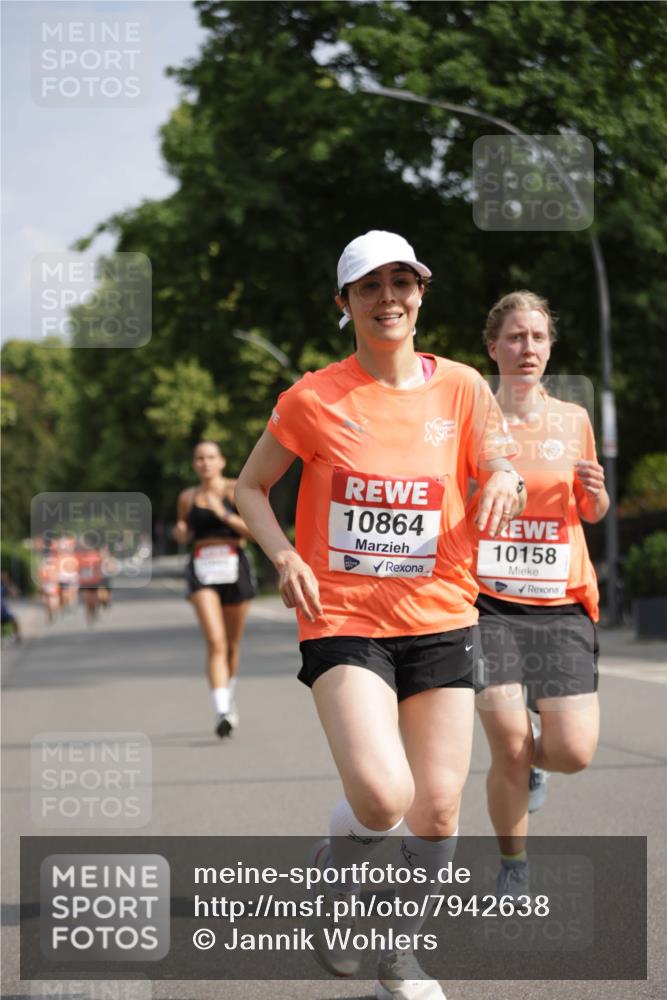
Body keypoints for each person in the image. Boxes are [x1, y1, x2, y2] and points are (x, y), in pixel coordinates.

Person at [236, 231, 525, 1000]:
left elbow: (499, 462)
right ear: (345, 304)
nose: (387, 298)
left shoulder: (463, 386)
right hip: (342, 617)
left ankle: (398, 956)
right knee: (381, 797)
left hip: (440, 614)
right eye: (369, 287)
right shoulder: (313, 397)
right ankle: (335, 872)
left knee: (435, 811)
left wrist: (502, 480)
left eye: (402, 282)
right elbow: (249, 488)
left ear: (421, 293)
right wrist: (284, 556)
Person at [468, 291, 608, 900]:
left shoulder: (573, 419)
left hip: (561, 601)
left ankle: (533, 775)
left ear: (550, 348)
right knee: (508, 744)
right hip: (486, 605)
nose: (528, 348)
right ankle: (514, 865)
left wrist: (599, 492)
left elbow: (591, 511)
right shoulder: (469, 419)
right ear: (493, 346)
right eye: (517, 337)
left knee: (572, 752)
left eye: (539, 338)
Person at [174, 441, 256, 738]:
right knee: (216, 641)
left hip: (235, 564)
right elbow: (182, 530)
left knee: (233, 643)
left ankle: (228, 695)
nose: (205, 463)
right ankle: (221, 709)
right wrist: (180, 533)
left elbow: (254, 530)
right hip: (202, 567)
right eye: (199, 458)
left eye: (210, 457)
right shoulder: (187, 497)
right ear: (194, 464)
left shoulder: (237, 489)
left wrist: (222, 513)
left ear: (221, 461)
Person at [1, 571, 22, 643]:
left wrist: (7, 582)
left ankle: (18, 637)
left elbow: (15, 593)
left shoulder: (3, 586)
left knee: (14, 619)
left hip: (3, 612)